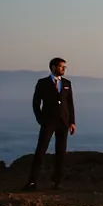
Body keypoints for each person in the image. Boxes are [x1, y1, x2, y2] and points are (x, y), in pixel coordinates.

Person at [23, 57, 76, 191]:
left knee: (61, 153)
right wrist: (41, 119)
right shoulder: (42, 83)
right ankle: (32, 182)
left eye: (65, 67)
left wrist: (72, 122)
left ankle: (57, 182)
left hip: (63, 122)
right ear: (53, 67)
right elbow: (36, 103)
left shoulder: (67, 83)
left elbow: (70, 104)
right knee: (41, 151)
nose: (64, 69)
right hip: (48, 122)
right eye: (61, 66)